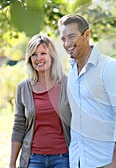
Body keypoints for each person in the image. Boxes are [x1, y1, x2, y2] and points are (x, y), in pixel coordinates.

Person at [58, 14, 116, 168]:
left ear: (87, 35)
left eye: (72, 37)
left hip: (105, 160)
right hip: (78, 160)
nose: (67, 44)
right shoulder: (71, 70)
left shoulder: (109, 67)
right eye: (63, 39)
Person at [9, 34, 71, 168]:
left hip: (63, 157)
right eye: (34, 55)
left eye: (43, 53)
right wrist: (12, 162)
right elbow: (19, 126)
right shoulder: (23, 88)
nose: (39, 58)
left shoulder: (67, 84)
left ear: (52, 56)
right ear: (29, 59)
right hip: (34, 158)